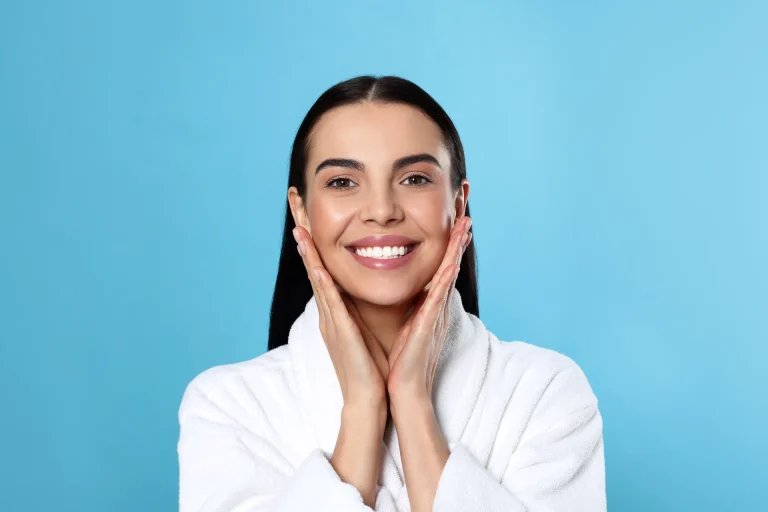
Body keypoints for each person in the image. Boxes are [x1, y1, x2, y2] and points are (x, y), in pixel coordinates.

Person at [177, 75, 606, 512]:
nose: (381, 211)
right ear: (300, 210)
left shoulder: (546, 392)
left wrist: (413, 403)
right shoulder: (227, 407)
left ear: (458, 203)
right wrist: (363, 409)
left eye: (415, 178)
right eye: (343, 182)